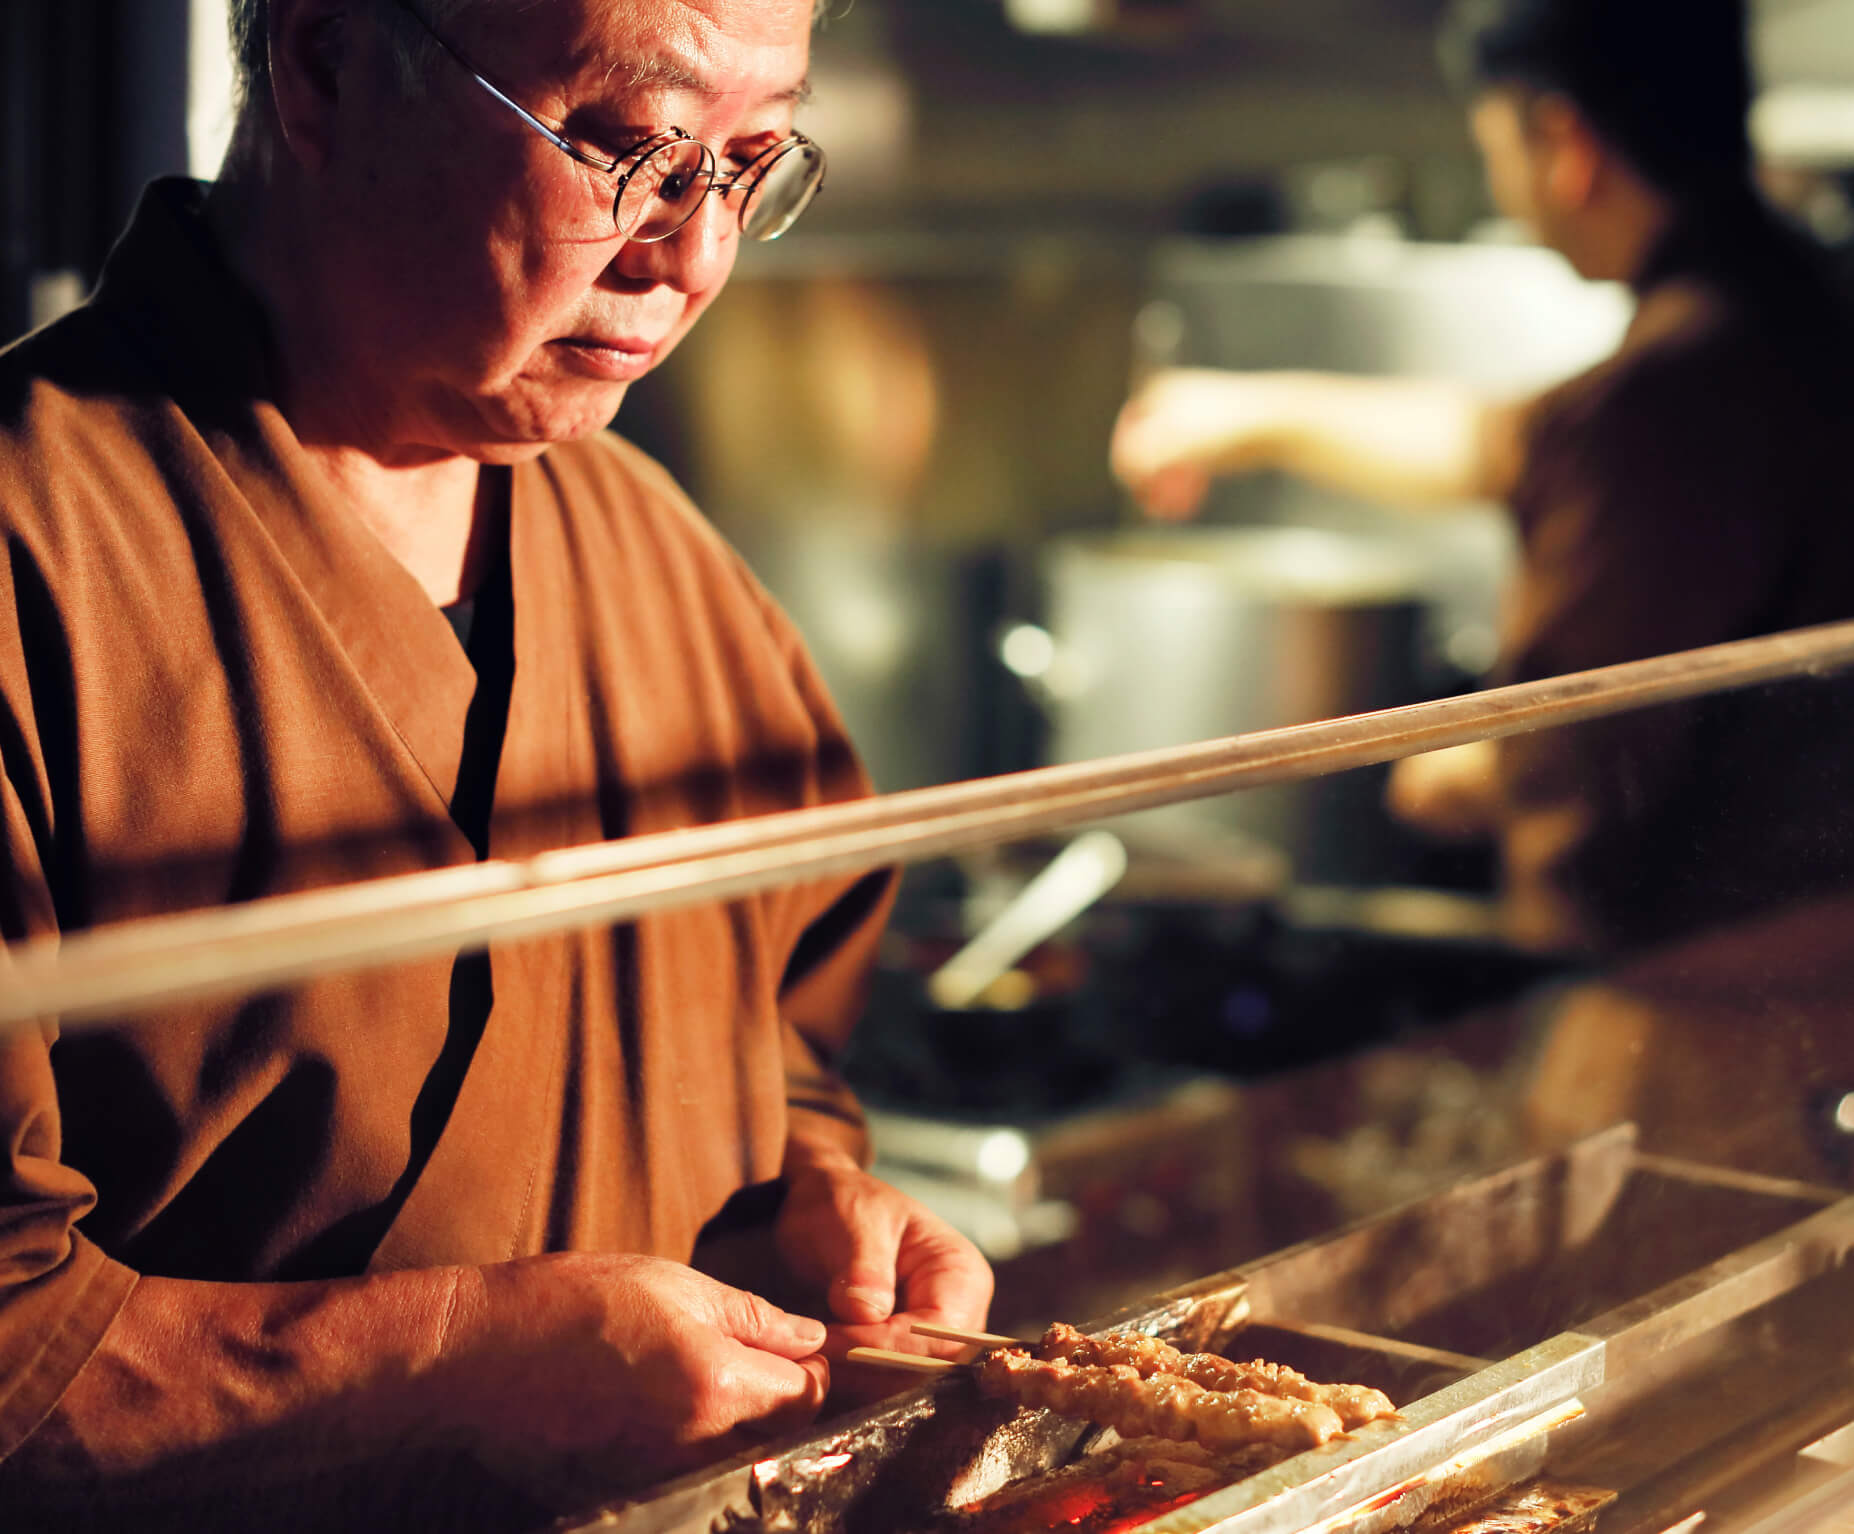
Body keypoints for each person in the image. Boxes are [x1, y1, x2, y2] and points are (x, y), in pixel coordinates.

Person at [0, 0, 991, 1527]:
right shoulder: (35, 547)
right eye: (625, 147)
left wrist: (803, 1202)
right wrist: (456, 1356)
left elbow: (784, 1024)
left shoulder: (657, 550)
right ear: (327, 69)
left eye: (744, 163)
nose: (693, 253)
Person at [1112, 0, 1854, 959]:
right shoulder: (1794, 309)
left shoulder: (1664, 396)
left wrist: (1462, 767)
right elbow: (1516, 446)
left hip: (1712, 994)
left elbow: (1579, 749)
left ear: (1563, 141)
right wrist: (1248, 415)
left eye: (1494, 146)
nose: (1505, 188)